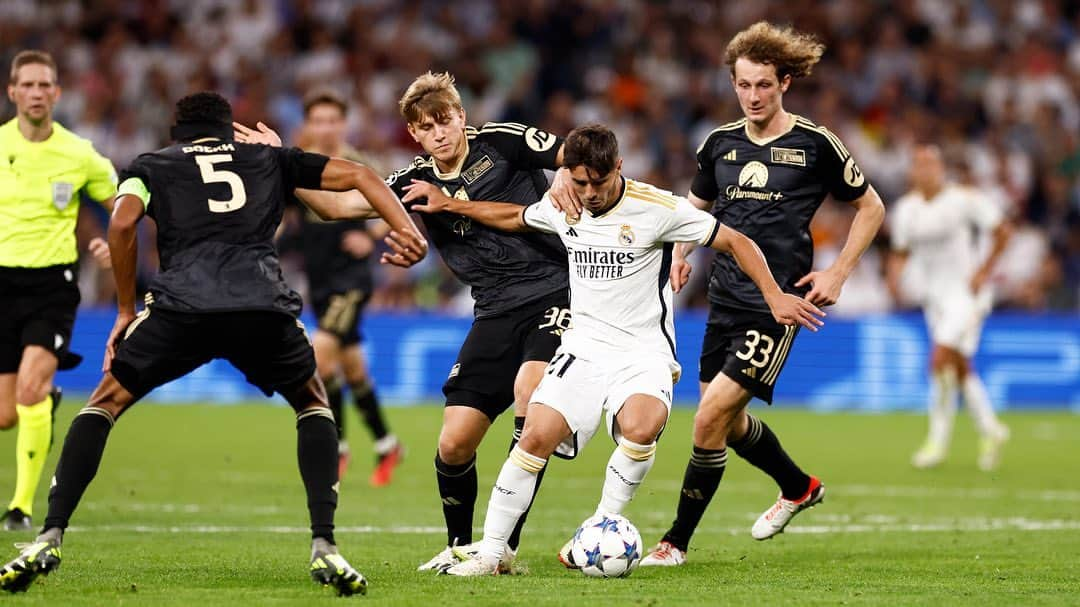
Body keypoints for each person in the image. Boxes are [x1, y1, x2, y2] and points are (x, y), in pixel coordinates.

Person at [0, 92, 428, 596]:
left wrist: (122, 309)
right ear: (230, 130)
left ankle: (49, 535)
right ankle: (324, 544)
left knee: (103, 404)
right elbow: (360, 176)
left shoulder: (151, 164)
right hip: (261, 307)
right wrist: (407, 232)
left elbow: (120, 222)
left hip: (181, 307)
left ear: (176, 132)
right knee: (314, 402)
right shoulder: (269, 156)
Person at [402, 124, 823, 576]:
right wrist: (451, 204)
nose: (588, 193)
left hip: (643, 353)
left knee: (641, 426)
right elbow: (515, 216)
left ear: (618, 167)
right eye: (578, 182)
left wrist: (775, 296)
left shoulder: (658, 207)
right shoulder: (565, 205)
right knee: (535, 437)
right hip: (582, 349)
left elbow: (734, 240)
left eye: (597, 183)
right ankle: (490, 553)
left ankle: (599, 523)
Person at [236, 71, 573, 572]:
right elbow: (336, 206)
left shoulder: (504, 140)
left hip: (555, 290)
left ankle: (502, 544)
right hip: (493, 309)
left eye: (444, 121)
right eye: (425, 127)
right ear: (413, 134)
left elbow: (573, 153)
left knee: (531, 390)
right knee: (454, 442)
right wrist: (282, 160)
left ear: (461, 116)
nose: (438, 133)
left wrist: (564, 171)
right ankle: (461, 546)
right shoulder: (414, 181)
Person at [579, 22, 882, 566]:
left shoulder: (816, 144)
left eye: (763, 85)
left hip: (779, 303)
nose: (752, 96)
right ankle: (799, 486)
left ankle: (675, 542)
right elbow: (694, 209)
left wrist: (838, 273)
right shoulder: (718, 144)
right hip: (724, 298)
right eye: (743, 85)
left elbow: (872, 207)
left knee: (707, 419)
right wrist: (681, 253)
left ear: (785, 82)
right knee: (729, 422)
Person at [0, 50, 116, 531]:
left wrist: (115, 242)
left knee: (29, 386)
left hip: (52, 284)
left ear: (57, 93)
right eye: (27, 85)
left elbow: (127, 201)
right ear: (13, 92)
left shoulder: (78, 153)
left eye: (44, 85)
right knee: (7, 415)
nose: (36, 93)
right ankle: (44, 402)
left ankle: (20, 508)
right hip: (2, 283)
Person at [290, 89, 403, 485]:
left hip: (351, 279)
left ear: (343, 123)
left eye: (331, 120)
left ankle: (336, 449)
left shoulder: (358, 164)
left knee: (320, 360)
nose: (324, 127)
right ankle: (388, 444)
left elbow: (394, 205)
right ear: (308, 124)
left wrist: (371, 238)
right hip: (319, 280)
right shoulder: (298, 163)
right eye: (317, 120)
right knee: (352, 370)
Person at [887, 145, 1011, 471]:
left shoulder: (964, 200)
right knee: (958, 367)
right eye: (919, 164)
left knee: (939, 358)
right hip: (934, 299)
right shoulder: (905, 210)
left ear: (942, 168)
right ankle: (991, 429)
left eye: (930, 164)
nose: (925, 170)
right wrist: (894, 277)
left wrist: (983, 271)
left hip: (966, 296)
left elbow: (1002, 231)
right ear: (912, 171)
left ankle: (936, 442)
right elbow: (900, 251)